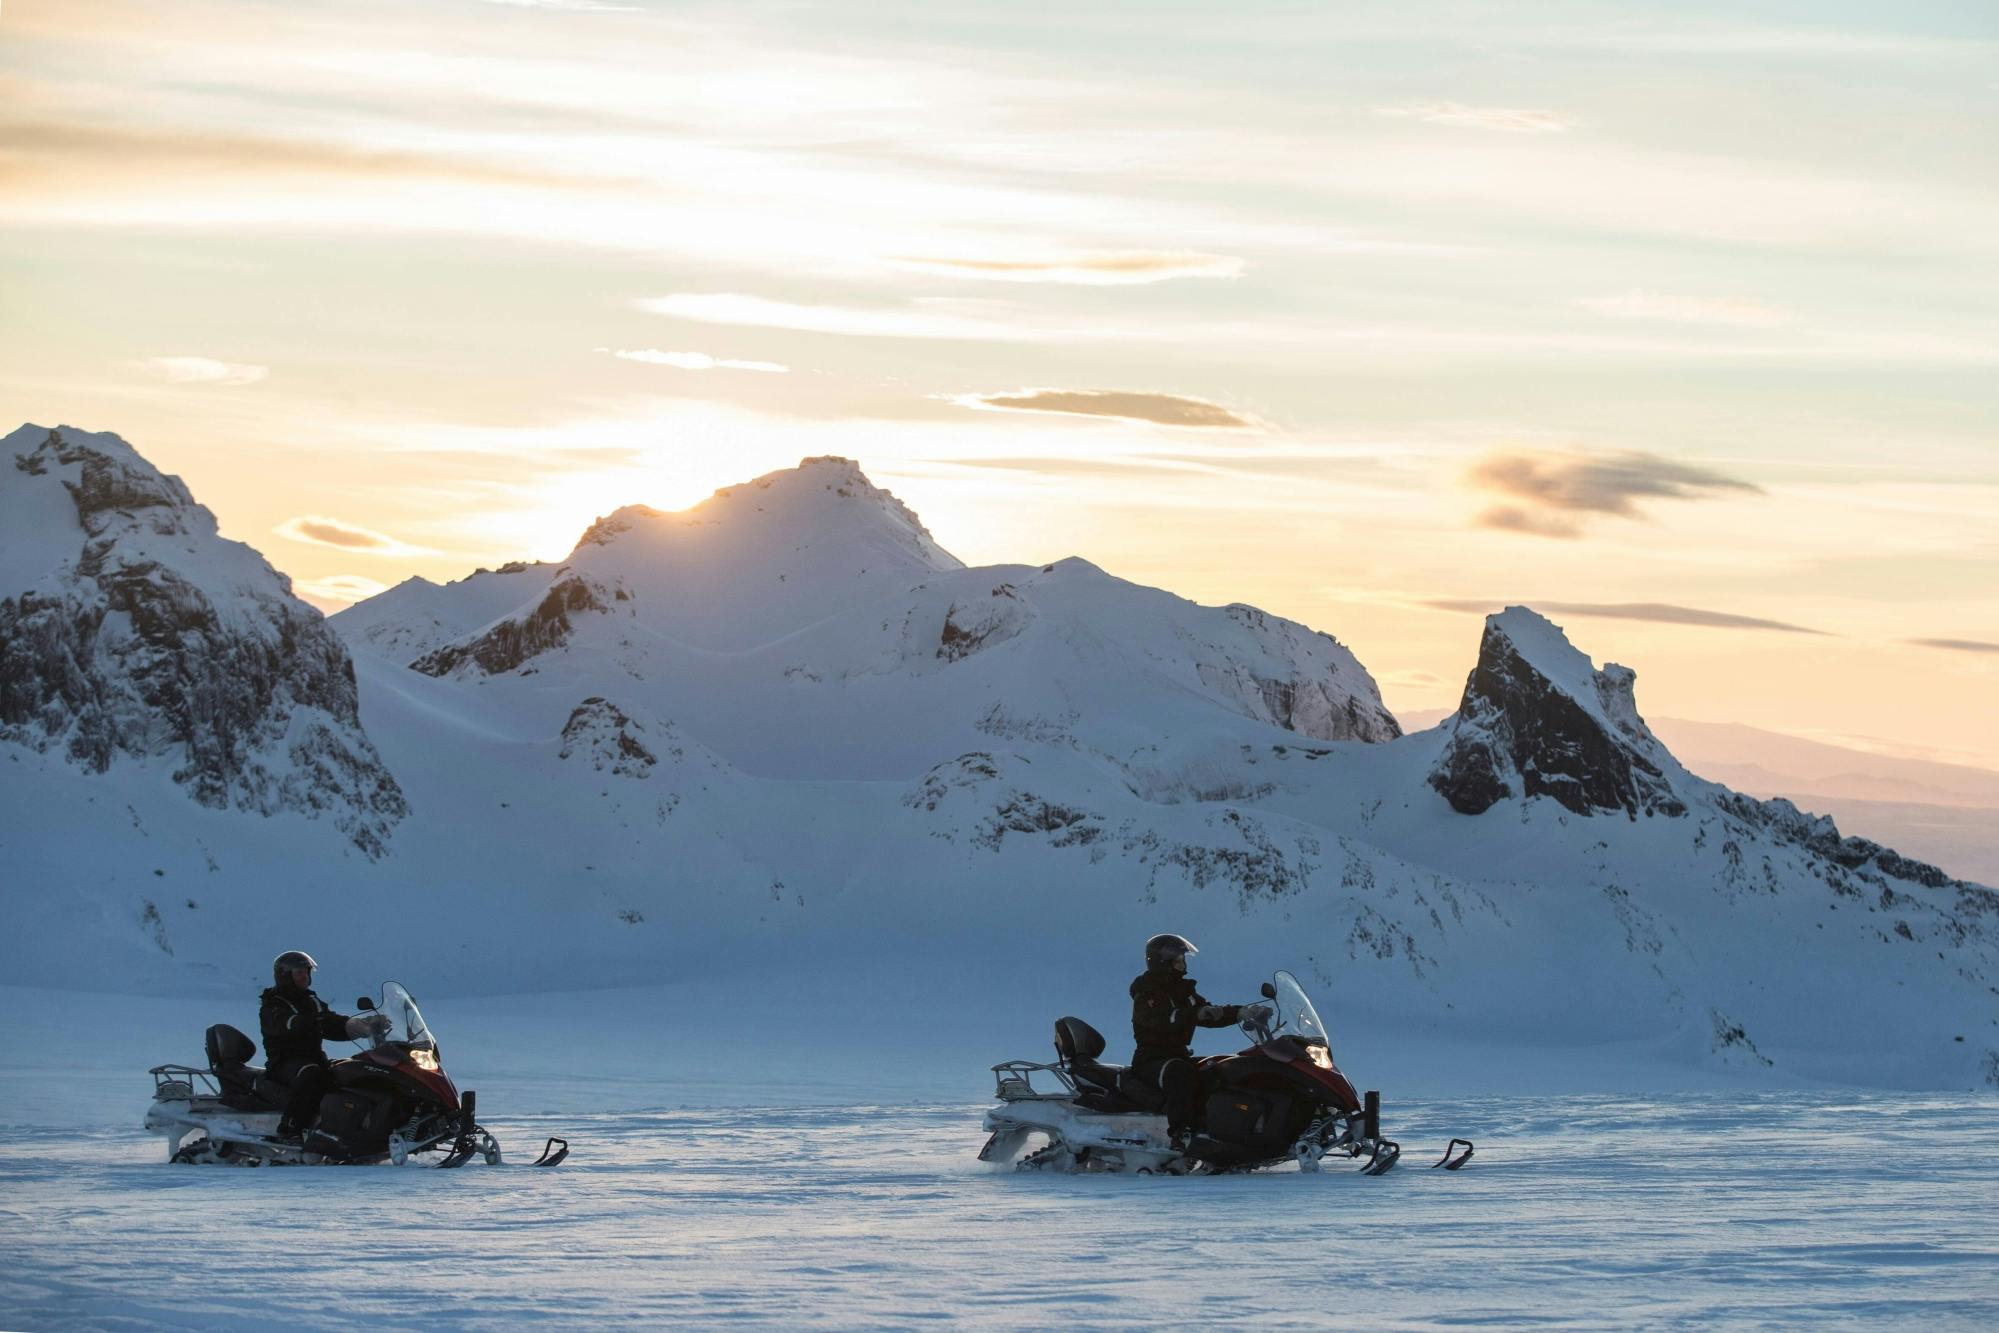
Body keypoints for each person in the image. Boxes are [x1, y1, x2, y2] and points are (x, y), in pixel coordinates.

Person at [1128, 933, 1254, 1144]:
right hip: (1150, 1060)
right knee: (1179, 1073)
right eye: (1178, 959)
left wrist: (1242, 1012)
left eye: (1183, 959)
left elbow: (1210, 1012)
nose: (1182, 963)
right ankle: (1182, 1134)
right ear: (1162, 961)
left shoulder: (1184, 990)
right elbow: (1160, 1018)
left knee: (1218, 1069)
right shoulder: (1146, 991)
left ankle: (1221, 1131)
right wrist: (1195, 1014)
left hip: (1177, 1055)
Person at [259, 950, 386, 1140]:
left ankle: (351, 1129)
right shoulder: (273, 1004)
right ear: (285, 976)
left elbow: (330, 1022)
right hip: (284, 1063)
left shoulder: (311, 1000)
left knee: (350, 1072)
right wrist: (310, 1022)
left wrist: (361, 1026)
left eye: (306, 972)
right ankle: (290, 1129)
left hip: (314, 1059)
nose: (304, 976)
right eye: (299, 972)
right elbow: (286, 1024)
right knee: (311, 1076)